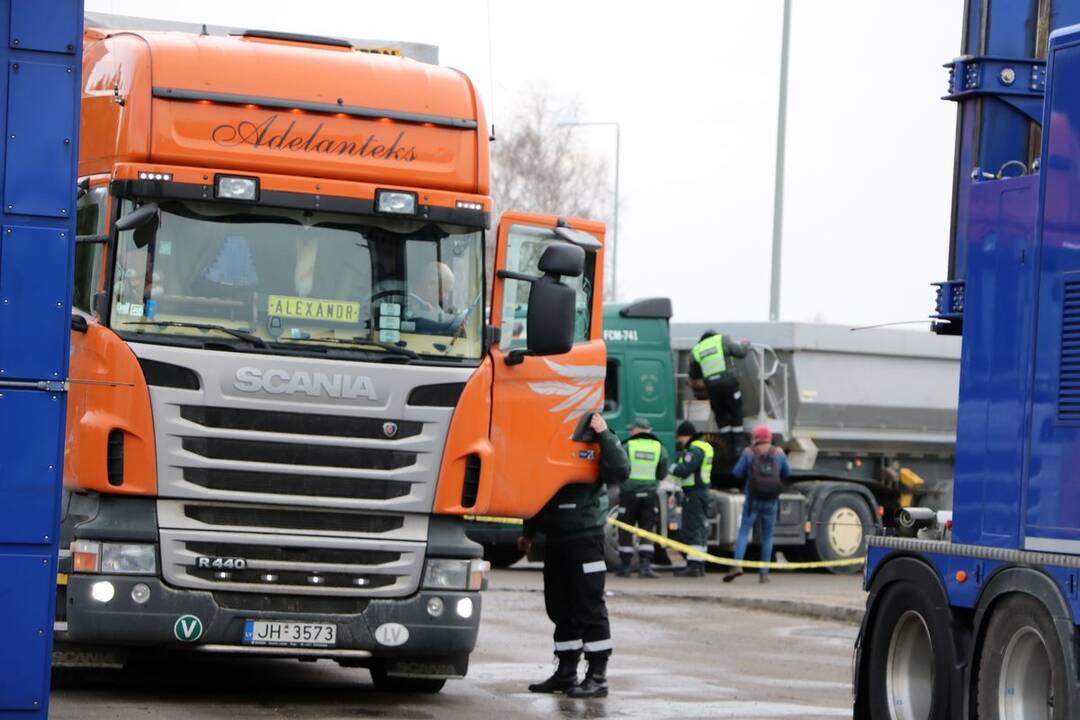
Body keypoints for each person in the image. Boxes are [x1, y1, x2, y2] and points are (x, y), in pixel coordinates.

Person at [518, 413, 629, 698]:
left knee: (589, 605)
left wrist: (604, 433)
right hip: (555, 538)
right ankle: (566, 672)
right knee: (559, 606)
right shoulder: (551, 438)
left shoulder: (595, 434)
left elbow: (619, 471)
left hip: (584, 537)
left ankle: (597, 676)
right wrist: (529, 532)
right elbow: (540, 489)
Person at [724, 424, 791, 584]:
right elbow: (788, 472)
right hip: (771, 501)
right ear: (769, 437)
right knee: (767, 536)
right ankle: (764, 573)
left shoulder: (749, 453)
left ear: (755, 438)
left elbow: (736, 473)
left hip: (753, 500)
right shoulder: (779, 453)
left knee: (744, 532)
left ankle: (737, 565)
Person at [616, 418, 668, 579]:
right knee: (647, 529)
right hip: (650, 495)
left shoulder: (627, 446)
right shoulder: (659, 447)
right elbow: (662, 471)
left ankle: (625, 567)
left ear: (638, 430)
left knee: (625, 529)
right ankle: (645, 566)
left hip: (629, 494)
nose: (630, 432)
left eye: (632, 429)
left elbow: (620, 467)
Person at [688, 330, 750, 449]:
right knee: (735, 409)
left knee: (720, 413)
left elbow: (694, 374)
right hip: (728, 383)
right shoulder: (722, 340)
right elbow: (741, 353)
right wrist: (746, 344)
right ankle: (738, 444)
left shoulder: (697, 349)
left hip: (711, 387)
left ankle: (726, 443)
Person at [668, 420, 713, 578]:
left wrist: (670, 467)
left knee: (692, 529)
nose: (679, 441)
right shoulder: (704, 447)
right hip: (701, 492)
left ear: (685, 436)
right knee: (699, 529)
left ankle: (693, 566)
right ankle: (698, 565)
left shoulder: (694, 450)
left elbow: (685, 470)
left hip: (694, 494)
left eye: (679, 438)